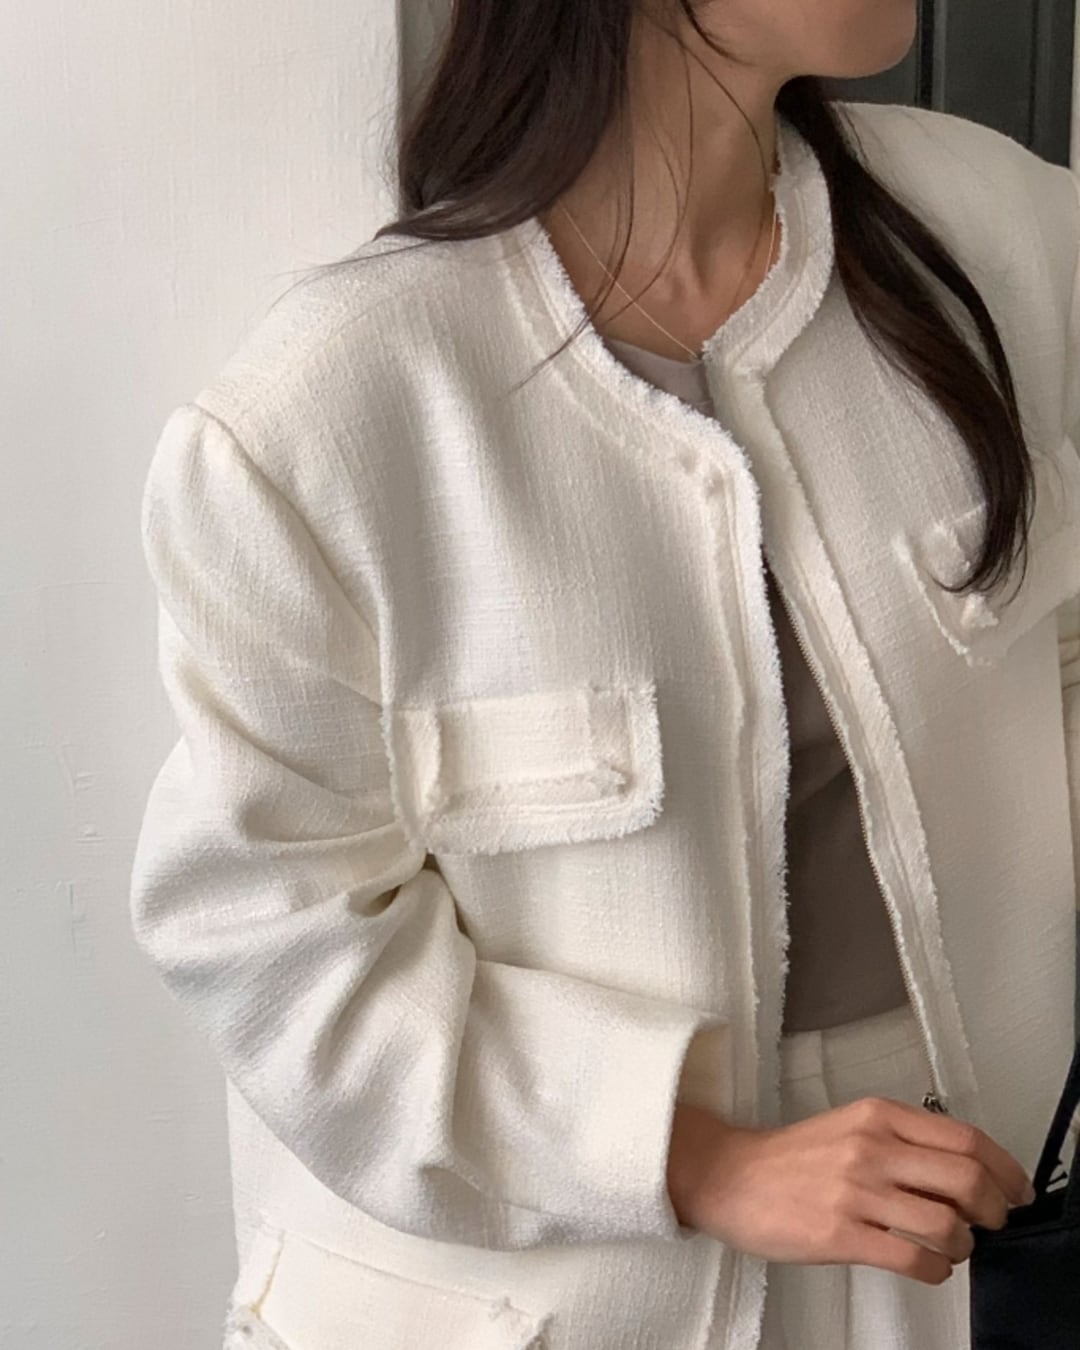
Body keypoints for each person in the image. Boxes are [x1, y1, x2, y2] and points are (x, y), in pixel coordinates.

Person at [130, 1, 1080, 1347]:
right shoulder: (328, 413)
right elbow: (273, 942)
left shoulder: (1005, 239)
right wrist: (703, 1160)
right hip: (534, 1284)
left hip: (955, 1229)